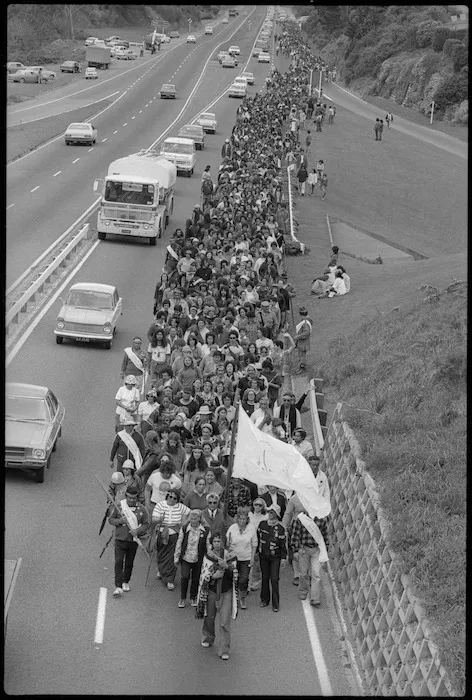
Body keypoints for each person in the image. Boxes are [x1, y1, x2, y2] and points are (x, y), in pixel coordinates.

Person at [197, 532, 239, 661]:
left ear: (224, 543)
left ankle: (224, 649)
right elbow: (203, 574)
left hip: (226, 592)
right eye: (215, 541)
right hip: (212, 591)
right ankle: (208, 637)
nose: (217, 544)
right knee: (209, 617)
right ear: (212, 543)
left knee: (224, 622)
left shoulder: (230, 556)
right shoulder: (208, 556)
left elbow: (237, 576)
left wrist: (228, 568)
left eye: (220, 541)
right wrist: (212, 576)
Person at [109, 485, 150, 597]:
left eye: (134, 498)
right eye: (129, 497)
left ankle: (125, 581)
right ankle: (118, 585)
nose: (132, 500)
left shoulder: (142, 509)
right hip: (120, 538)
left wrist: (138, 531)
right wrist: (120, 521)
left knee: (129, 562)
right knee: (118, 562)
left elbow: (147, 523)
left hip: (133, 540)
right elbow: (111, 520)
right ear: (126, 496)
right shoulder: (119, 507)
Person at [152, 489, 191, 589]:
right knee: (161, 554)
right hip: (162, 532)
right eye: (170, 497)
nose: (172, 499)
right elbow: (153, 519)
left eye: (175, 498)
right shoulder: (160, 505)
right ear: (167, 496)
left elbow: (190, 513)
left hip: (174, 533)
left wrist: (184, 522)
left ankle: (169, 579)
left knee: (172, 556)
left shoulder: (180, 507)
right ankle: (161, 571)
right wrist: (159, 519)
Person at [290, 510, 329, 607]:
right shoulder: (300, 519)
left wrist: (325, 550)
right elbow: (295, 535)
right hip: (304, 549)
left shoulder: (321, 519)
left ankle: (315, 598)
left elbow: (325, 536)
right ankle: (303, 591)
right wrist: (295, 550)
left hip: (316, 549)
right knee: (303, 573)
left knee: (316, 574)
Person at [175, 509, 209, 608]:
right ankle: (182, 598)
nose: (193, 521)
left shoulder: (206, 530)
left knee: (196, 578)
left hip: (198, 559)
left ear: (200, 519)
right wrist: (176, 557)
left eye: (195, 518)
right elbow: (179, 543)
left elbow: (208, 545)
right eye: (191, 518)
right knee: (185, 576)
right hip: (186, 557)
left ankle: (193, 597)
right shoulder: (185, 528)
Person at [257, 505, 287, 611]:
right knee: (265, 578)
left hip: (275, 557)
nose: (270, 514)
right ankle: (264, 599)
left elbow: (283, 544)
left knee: (274, 579)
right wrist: (256, 553)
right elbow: (257, 538)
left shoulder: (281, 529)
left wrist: (283, 558)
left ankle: (275, 604)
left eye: (272, 512)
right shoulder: (262, 524)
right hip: (263, 556)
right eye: (269, 512)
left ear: (277, 515)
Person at [226, 508, 257, 609]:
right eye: (240, 518)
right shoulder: (232, 528)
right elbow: (227, 543)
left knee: (243, 579)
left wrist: (252, 558)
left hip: (246, 558)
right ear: (237, 519)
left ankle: (242, 599)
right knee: (233, 579)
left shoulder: (251, 528)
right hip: (234, 558)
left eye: (244, 519)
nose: (242, 520)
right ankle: (233, 599)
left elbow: (254, 544)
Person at [248, 498, 268, 590]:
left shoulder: (266, 516)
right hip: (249, 539)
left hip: (261, 539)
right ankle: (248, 581)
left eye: (260, 505)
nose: (257, 507)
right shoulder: (249, 514)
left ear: (263, 506)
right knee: (249, 561)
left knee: (257, 563)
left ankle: (256, 582)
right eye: (256, 504)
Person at [294, 307, 312, 373]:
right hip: (302, 342)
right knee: (301, 355)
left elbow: (306, 333)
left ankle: (302, 368)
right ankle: (301, 367)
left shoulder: (305, 323)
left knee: (302, 356)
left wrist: (298, 337)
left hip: (303, 342)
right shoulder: (305, 322)